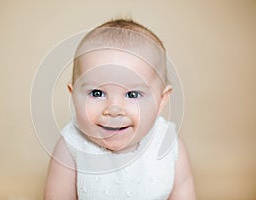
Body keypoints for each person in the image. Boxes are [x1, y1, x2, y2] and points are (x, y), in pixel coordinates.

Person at [44, 19, 196, 200]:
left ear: (161, 100)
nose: (114, 110)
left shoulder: (168, 143)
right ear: (73, 94)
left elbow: (183, 194)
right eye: (97, 93)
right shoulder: (72, 145)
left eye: (132, 95)